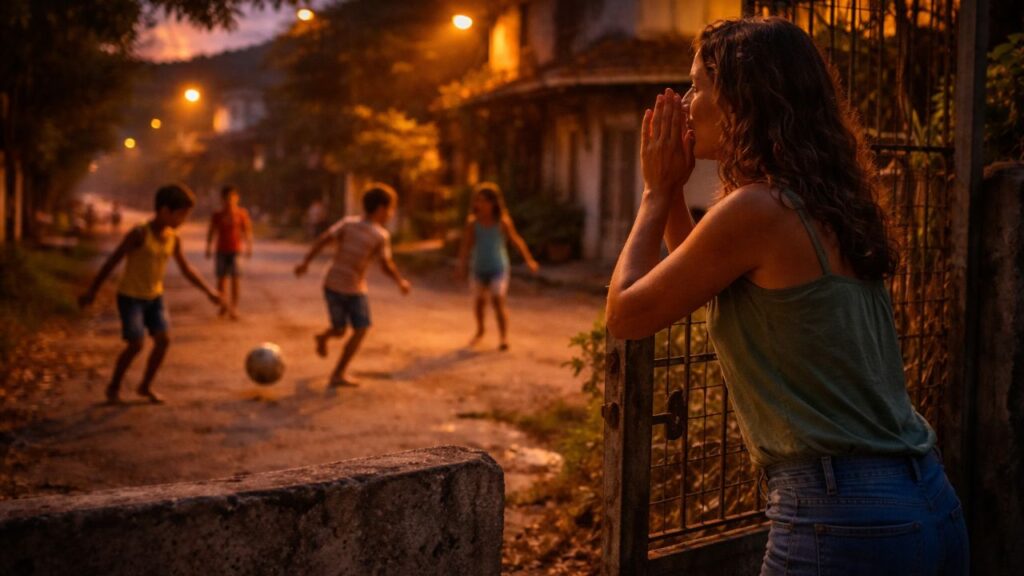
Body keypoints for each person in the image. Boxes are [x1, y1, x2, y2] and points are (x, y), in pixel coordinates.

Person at [604, 17, 968, 575]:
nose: (686, 100)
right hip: (925, 501)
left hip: (840, 515)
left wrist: (654, 195)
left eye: (698, 84)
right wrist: (675, 189)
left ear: (741, 98)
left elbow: (627, 314)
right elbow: (701, 274)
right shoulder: (820, 201)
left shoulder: (757, 210)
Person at [79, 184, 221, 404]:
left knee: (163, 341)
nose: (183, 219)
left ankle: (145, 386)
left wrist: (209, 292)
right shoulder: (139, 233)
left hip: (155, 297)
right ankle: (113, 387)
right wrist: (92, 291)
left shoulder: (174, 237)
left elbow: (186, 269)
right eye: (181, 214)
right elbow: (112, 261)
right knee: (136, 344)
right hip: (130, 297)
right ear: (165, 210)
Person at [294, 183, 411, 388]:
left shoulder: (379, 235)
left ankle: (338, 373)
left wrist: (399, 280)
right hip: (334, 285)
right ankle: (324, 338)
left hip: (356, 289)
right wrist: (305, 262)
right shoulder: (350, 225)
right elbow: (324, 240)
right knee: (340, 330)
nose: (391, 214)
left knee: (361, 328)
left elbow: (385, 264)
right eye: (391, 209)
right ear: (382, 208)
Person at [455, 182, 539, 351]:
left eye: (483, 200)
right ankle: (480, 330)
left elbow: (516, 240)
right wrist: (461, 266)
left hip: (498, 267)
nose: (480, 204)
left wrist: (529, 260)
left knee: (497, 300)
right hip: (478, 268)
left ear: (493, 203)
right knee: (479, 303)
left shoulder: (502, 222)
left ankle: (503, 337)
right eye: (477, 201)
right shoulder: (473, 224)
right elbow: (465, 246)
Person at [205, 185, 253, 319]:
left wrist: (249, 246)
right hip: (221, 250)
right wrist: (208, 247)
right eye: (226, 198)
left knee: (235, 279)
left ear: (237, 198)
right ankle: (223, 305)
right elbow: (212, 231)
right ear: (222, 199)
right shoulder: (217, 215)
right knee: (221, 280)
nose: (229, 200)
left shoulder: (241, 213)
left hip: (235, 250)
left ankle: (233, 308)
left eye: (232, 197)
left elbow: (247, 231)